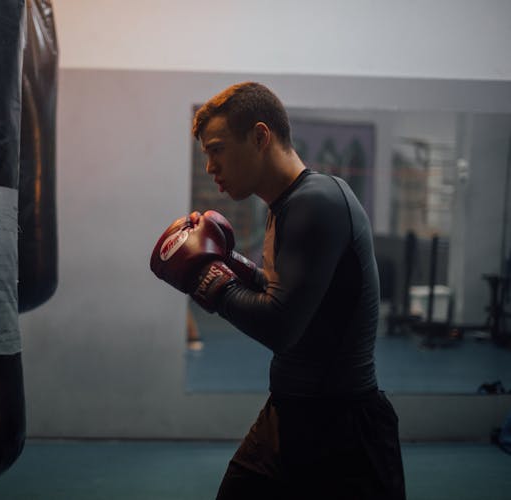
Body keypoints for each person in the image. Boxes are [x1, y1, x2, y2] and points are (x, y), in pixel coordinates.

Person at [150, 82, 406, 499]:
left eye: (217, 149)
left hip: (344, 433)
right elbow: (278, 293)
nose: (210, 167)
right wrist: (227, 263)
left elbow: (280, 326)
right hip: (289, 415)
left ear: (260, 136)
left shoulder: (317, 202)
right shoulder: (286, 208)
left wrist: (205, 277)